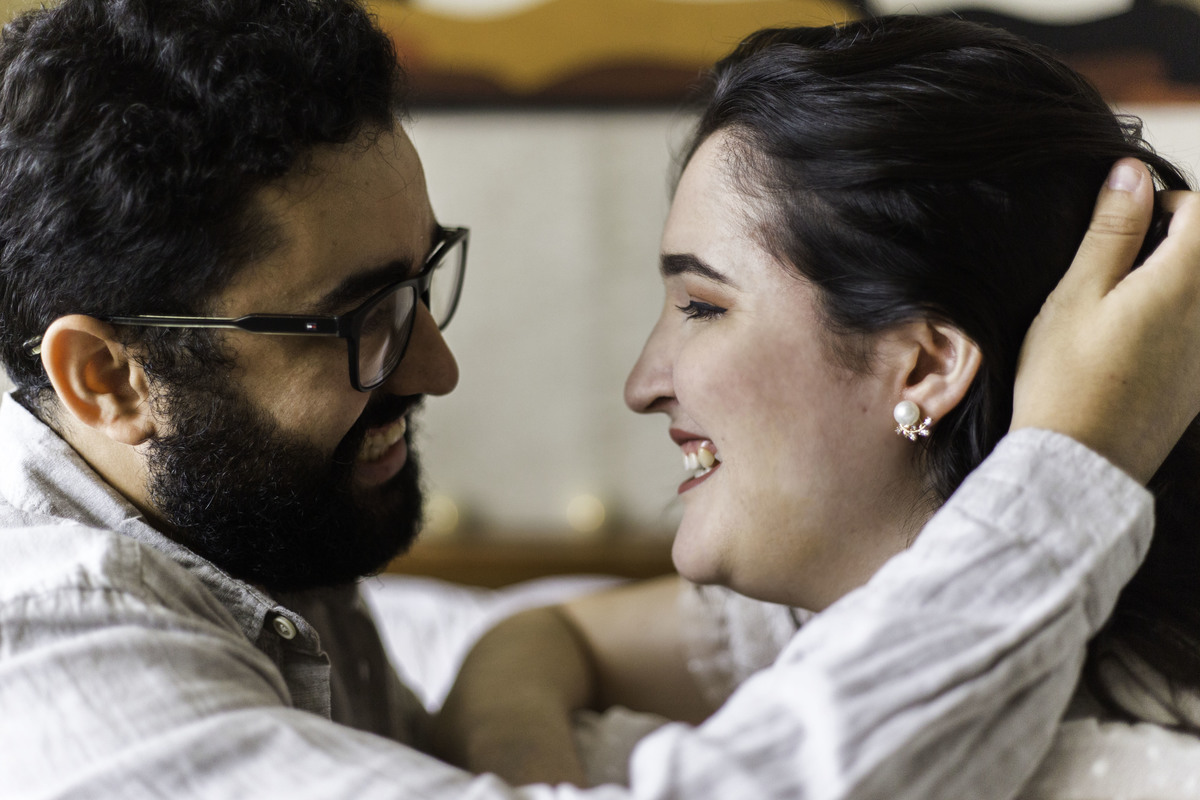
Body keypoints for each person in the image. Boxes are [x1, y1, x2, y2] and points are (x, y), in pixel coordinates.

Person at [0, 2, 1198, 798]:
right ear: (106, 379)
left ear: (927, 366)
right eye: (357, 318)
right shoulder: (59, 677)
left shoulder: (247, 519)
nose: (435, 367)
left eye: (421, 283)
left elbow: (537, 635)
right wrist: (1073, 458)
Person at [433, 16, 1200, 798]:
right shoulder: (848, 606)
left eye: (702, 306)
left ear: (925, 367)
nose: (641, 385)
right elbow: (542, 635)